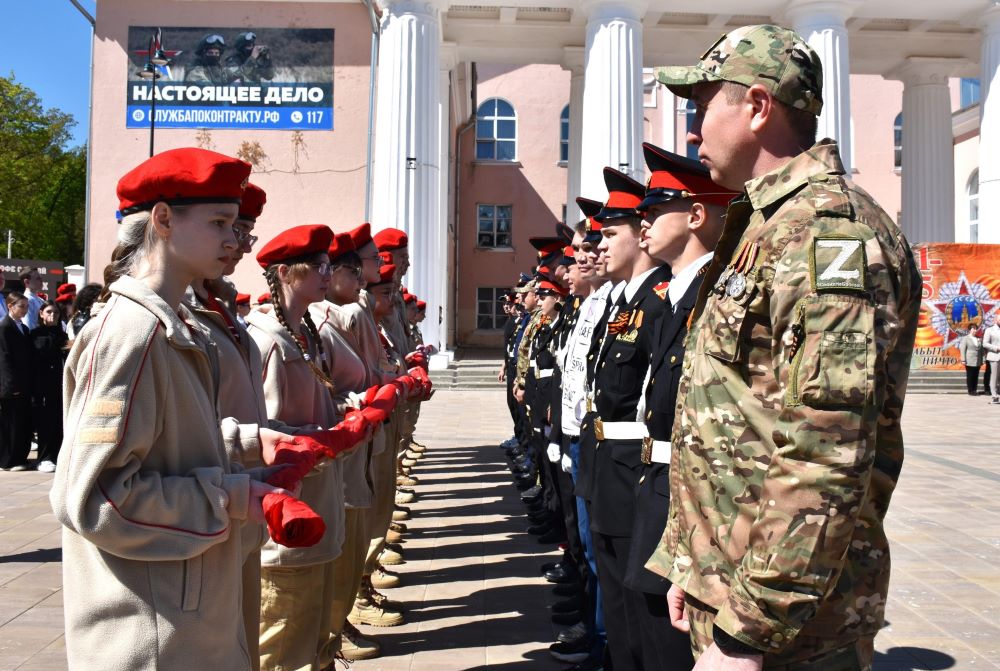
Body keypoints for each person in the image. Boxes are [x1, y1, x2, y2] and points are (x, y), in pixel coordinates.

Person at [649, 24, 921, 670]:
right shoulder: (769, 226)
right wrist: (689, 559)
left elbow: (827, 447)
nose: (692, 128)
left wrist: (749, 631)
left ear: (757, 105)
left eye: (702, 104)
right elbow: (735, 412)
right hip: (739, 594)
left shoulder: (827, 233)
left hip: (791, 629)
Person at [49, 147, 290, 670]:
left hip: (186, 621)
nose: (235, 239)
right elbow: (95, 497)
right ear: (162, 220)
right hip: (152, 637)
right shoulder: (133, 332)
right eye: (221, 222)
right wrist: (229, 499)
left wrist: (248, 445)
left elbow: (169, 443)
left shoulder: (171, 325)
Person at [628, 143, 736, 671]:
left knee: (671, 651)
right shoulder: (678, 296)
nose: (642, 223)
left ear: (696, 215)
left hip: (691, 505)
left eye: (653, 210)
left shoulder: (716, 295)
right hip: (661, 492)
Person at [247, 224, 354, 671]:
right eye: (319, 266)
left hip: (321, 504)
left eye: (329, 265)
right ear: (287, 274)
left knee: (312, 635)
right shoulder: (266, 339)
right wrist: (316, 434)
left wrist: (346, 414)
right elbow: (260, 430)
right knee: (283, 641)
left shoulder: (304, 334)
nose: (327, 273)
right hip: (290, 522)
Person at [587, 167, 672, 671]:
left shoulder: (659, 300)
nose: (598, 248)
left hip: (635, 466)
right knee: (617, 601)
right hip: (610, 462)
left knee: (641, 615)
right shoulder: (630, 303)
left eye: (609, 234)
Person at [31, 300, 68, 472]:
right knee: (45, 422)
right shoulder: (36, 334)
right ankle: (44, 457)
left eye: (55, 313)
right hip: (43, 385)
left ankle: (57, 455)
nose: (52, 316)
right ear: (41, 314)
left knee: (59, 420)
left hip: (59, 384)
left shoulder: (61, 334)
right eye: (49, 312)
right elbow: (42, 352)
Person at [0, 292, 33, 471]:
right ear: (10, 306)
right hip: (11, 385)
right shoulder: (4, 327)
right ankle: (7, 459)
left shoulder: (24, 328)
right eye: (21, 306)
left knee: (22, 422)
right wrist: (9, 385)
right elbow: (4, 359)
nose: (25, 310)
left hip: (24, 382)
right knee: (10, 423)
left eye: (27, 306)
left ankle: (20, 456)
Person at [960, 328, 984, 396]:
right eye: (973, 329)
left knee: (976, 376)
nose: (975, 330)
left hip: (978, 360)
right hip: (969, 360)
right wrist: (963, 359)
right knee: (970, 376)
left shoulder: (978, 338)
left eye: (976, 329)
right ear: (970, 330)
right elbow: (963, 349)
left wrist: (983, 359)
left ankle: (974, 390)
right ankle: (970, 391)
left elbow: (981, 350)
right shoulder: (966, 338)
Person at [984, 320, 1000, 403]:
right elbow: (985, 344)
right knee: (994, 377)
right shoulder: (989, 330)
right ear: (996, 320)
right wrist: (996, 348)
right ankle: (994, 396)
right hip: (995, 356)